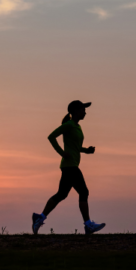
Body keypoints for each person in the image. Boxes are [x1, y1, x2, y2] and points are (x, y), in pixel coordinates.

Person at [32, 100, 105, 235]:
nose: (85, 112)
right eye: (83, 109)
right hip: (70, 166)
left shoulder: (77, 127)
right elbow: (51, 137)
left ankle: (39, 217)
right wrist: (61, 152)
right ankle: (88, 225)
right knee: (84, 192)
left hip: (70, 165)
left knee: (61, 195)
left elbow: (75, 147)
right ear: (76, 111)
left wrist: (86, 150)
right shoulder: (69, 125)